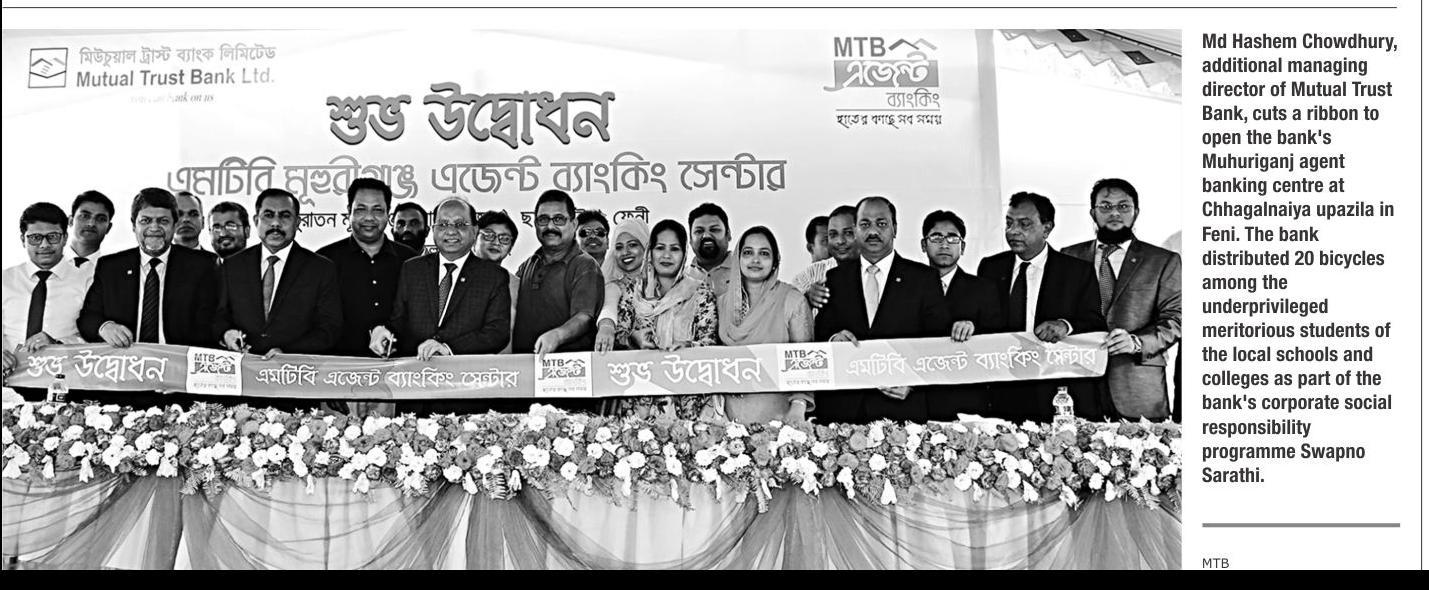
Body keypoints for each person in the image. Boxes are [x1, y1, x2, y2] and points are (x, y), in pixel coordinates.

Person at [77, 188, 220, 408]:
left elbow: (212, 326)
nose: (154, 228)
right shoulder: (111, 266)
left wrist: (182, 372)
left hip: (181, 387)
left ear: (174, 224)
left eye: (163, 221)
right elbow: (87, 318)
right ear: (134, 225)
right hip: (122, 384)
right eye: (146, 220)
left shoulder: (203, 265)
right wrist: (104, 327)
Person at [813, 196, 950, 424]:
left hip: (902, 412)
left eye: (882, 223)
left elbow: (939, 342)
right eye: (865, 224)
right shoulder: (836, 278)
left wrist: (914, 383)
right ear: (856, 230)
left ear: (895, 228)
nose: (873, 231)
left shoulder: (923, 279)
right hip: (845, 413)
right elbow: (820, 334)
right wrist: (834, 339)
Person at [371, 197, 511, 417]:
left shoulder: (493, 276)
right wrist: (384, 332)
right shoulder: (412, 269)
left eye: (460, 224)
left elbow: (497, 333)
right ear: (433, 230)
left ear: (475, 230)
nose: (451, 231)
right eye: (443, 224)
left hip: (466, 398)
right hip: (414, 396)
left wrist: (448, 348)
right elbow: (398, 322)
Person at [977, 192, 1105, 422]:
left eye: (1024, 224)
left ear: (1047, 228)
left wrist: (1065, 325)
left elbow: (1095, 322)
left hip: (1055, 384)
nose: (1013, 231)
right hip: (1002, 384)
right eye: (1009, 223)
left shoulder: (1076, 271)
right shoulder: (990, 268)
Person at [1064, 179, 1182, 421]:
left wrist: (1137, 343)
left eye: (1123, 206)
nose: (1115, 213)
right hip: (1078, 383)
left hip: (1139, 387)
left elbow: (1175, 320)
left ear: (1136, 212)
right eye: (1106, 206)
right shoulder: (1068, 256)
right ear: (1093, 213)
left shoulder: (1163, 260)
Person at [214, 189, 342, 411]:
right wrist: (226, 334)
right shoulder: (232, 265)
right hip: (241, 390)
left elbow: (329, 328)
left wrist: (288, 353)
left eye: (285, 216)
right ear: (256, 220)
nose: (275, 223)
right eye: (268, 215)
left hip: (296, 390)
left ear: (298, 222)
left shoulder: (320, 268)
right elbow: (218, 316)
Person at [605, 219, 720, 421]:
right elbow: (616, 338)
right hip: (639, 402)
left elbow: (710, 343)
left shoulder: (700, 292)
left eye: (674, 249)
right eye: (660, 248)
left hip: (688, 402)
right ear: (650, 252)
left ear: (684, 253)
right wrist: (633, 339)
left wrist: (688, 347)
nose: (666, 256)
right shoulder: (634, 292)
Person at [512, 190, 604, 413]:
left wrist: (557, 335)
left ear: (573, 223)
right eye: (543, 220)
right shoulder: (528, 265)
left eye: (559, 219)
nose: (550, 226)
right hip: (525, 382)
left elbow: (584, 317)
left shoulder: (584, 265)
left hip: (569, 383)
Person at [717, 226, 815, 424]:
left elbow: (805, 360)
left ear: (775, 261)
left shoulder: (791, 299)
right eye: (748, 253)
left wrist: (798, 408)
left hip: (779, 417)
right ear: (737, 259)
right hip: (728, 419)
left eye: (764, 253)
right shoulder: (721, 303)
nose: (755, 260)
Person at [317, 179, 419, 359]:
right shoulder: (324, 260)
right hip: (338, 368)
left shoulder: (411, 260)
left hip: (402, 367)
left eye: (377, 210)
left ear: (388, 213)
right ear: (349, 212)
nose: (369, 218)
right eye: (361, 209)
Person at [2, 203, 94, 400]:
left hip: (66, 387)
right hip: (8, 388)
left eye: (52, 236)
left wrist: (58, 344)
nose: (44, 245)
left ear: (65, 238)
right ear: (23, 240)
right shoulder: (5, 280)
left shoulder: (88, 281)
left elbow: (96, 339)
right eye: (35, 238)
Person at [920, 210, 1003, 419]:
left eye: (952, 238)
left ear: (963, 247)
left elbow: (998, 339)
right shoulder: (907, 288)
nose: (944, 244)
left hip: (968, 397)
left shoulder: (983, 289)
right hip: (919, 395)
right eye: (936, 237)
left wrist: (974, 328)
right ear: (923, 245)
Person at [593, 216, 649, 354]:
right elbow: (609, 306)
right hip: (624, 362)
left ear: (646, 246)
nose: (625, 252)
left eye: (632, 245)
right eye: (619, 247)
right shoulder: (615, 286)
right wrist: (606, 327)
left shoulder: (665, 284)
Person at [793, 205, 858, 307]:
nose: (839, 241)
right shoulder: (808, 276)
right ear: (810, 248)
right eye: (833, 235)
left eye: (848, 233)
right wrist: (807, 298)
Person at [475, 210, 519, 353]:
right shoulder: (453, 277)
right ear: (473, 238)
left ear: (511, 248)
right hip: (460, 364)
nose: (496, 242)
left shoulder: (517, 286)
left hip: (504, 365)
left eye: (504, 239)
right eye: (488, 235)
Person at [687, 202, 735, 296]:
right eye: (699, 231)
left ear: (728, 234)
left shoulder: (746, 271)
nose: (706, 236)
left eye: (714, 230)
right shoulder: (680, 279)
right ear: (690, 239)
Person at [67, 190, 115, 269]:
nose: (91, 224)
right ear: (71, 221)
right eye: (85, 216)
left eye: (101, 219)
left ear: (108, 228)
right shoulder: (48, 262)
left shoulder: (114, 270)